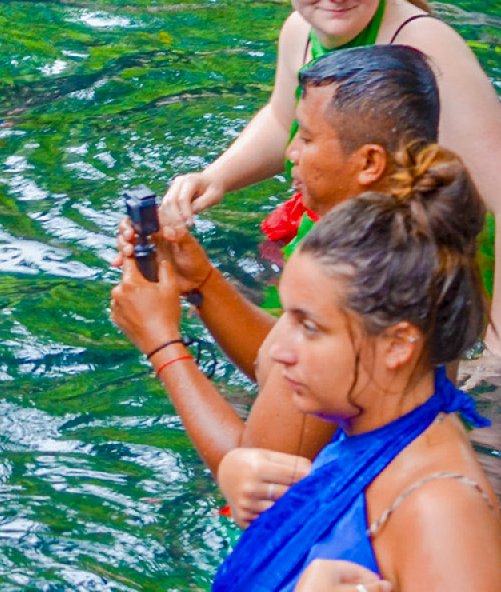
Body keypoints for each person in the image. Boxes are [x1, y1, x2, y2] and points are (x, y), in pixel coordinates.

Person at [162, 0, 501, 357]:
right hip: (350, 234)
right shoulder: (299, 31)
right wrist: (217, 177)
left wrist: (500, 353)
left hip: (428, 265)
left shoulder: (426, 49)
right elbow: (281, 119)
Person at [110, 46, 451, 472]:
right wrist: (198, 282)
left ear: (368, 162)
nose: (290, 152)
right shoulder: (401, 236)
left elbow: (263, 482)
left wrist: (161, 342)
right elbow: (279, 366)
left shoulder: (364, 280)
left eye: (306, 137)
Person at [199, 149, 501, 591]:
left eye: (309, 326)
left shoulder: (442, 511)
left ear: (399, 344)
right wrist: (247, 483)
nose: (278, 349)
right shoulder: (366, 431)